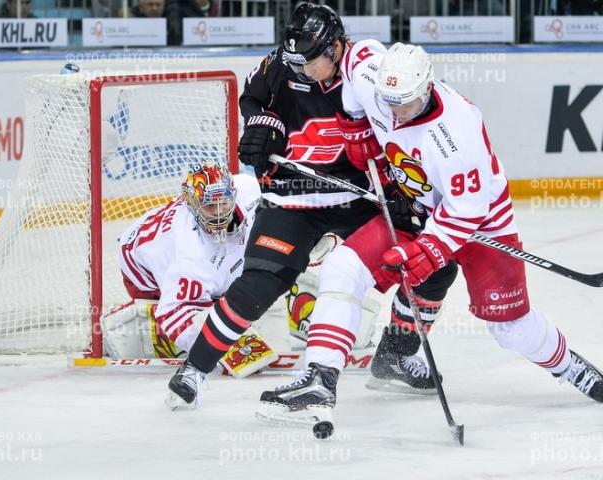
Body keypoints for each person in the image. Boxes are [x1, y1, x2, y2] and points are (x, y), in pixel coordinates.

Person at [165, 4, 454, 415]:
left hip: (359, 196)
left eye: (310, 62)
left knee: (435, 264)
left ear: (336, 48)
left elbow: (408, 129)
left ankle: (395, 354)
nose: (301, 70)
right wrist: (262, 127)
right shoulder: (282, 64)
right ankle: (194, 370)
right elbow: (253, 99)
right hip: (292, 195)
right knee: (260, 284)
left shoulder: (367, 73)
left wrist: (405, 190)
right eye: (295, 61)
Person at [324, 41, 603, 407]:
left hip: (481, 221)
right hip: (418, 203)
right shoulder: (373, 77)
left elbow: (467, 210)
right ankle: (392, 355)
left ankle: (571, 368)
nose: (395, 114)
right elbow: (351, 68)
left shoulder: (456, 133)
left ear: (427, 88)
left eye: (405, 103)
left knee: (511, 326)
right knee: (376, 271)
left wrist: (428, 251)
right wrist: (356, 126)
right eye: (388, 102)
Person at [104, 161, 279, 379]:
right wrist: (218, 349)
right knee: (194, 300)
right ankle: (126, 325)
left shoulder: (248, 188)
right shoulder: (187, 253)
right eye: (209, 206)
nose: (218, 213)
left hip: (163, 241)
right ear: (193, 204)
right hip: (141, 267)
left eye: (223, 203)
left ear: (232, 194)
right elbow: (175, 313)